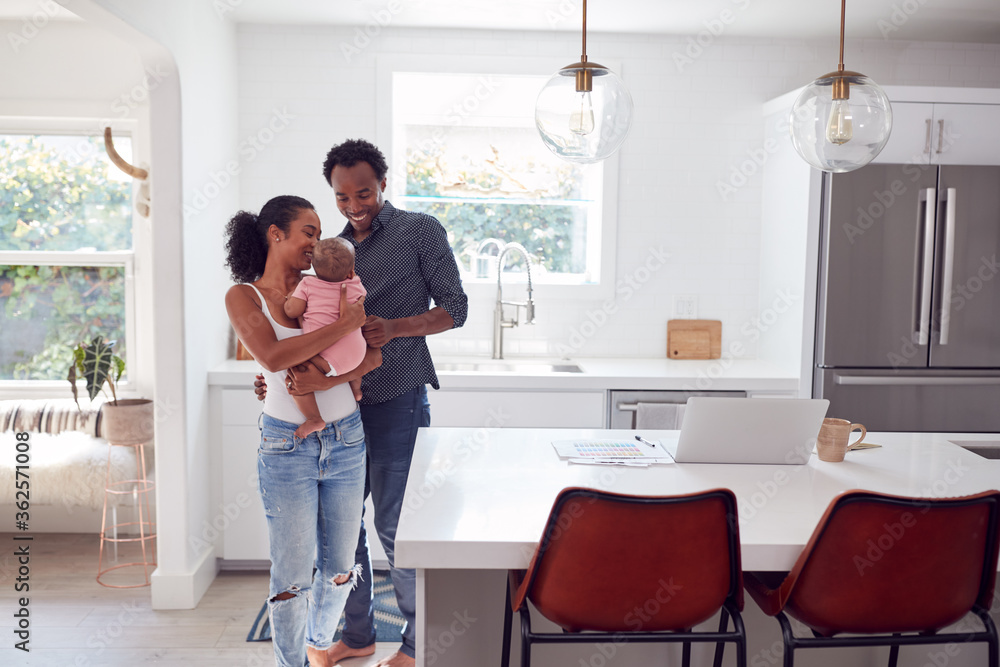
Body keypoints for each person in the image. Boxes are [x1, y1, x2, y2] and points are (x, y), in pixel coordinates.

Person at [260, 140, 468, 667]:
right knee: (342, 532)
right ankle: (357, 636)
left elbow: (455, 308)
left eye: (364, 192)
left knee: (396, 527)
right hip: (335, 406)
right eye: (342, 196)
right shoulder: (326, 249)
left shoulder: (419, 230)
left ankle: (417, 645)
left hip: (396, 395)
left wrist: (394, 327)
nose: (354, 205)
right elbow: (295, 327)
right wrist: (271, 380)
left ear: (383, 182)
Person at [224, 194, 382, 667]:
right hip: (286, 446)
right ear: (276, 234)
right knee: (291, 575)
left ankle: (316, 642)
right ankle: (289, 662)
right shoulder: (244, 296)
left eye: (318, 234)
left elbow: (371, 356)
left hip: (347, 439)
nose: (316, 242)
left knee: (338, 567)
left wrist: (326, 376)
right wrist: (343, 326)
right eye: (308, 233)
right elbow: (272, 358)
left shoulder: (330, 285)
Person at [284, 236, 367, 437]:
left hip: (326, 356)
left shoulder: (308, 284)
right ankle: (356, 388)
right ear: (351, 270)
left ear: (313, 267)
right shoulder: (355, 283)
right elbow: (360, 301)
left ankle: (314, 418)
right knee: (353, 356)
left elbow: (292, 312)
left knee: (296, 372)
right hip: (358, 352)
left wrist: (289, 298)